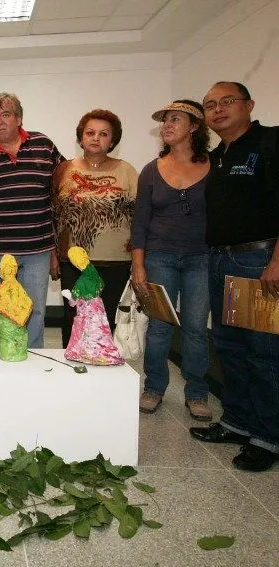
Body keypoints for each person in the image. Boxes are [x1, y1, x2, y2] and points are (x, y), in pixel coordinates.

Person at [189, 81, 279, 472]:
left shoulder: (268, 144)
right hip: (221, 261)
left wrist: (277, 261)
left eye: (227, 101)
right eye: (211, 105)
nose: (218, 109)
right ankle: (238, 422)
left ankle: (268, 436)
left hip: (258, 262)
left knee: (263, 352)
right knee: (229, 345)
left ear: (249, 105)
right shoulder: (218, 156)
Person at [131, 100, 211, 419]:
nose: (167, 124)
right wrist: (138, 263)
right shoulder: (152, 170)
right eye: (165, 120)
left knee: (194, 327)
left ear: (194, 126)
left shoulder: (213, 166)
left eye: (175, 119)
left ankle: (196, 393)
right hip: (159, 256)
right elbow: (140, 221)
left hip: (201, 258)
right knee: (160, 327)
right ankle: (154, 387)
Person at [0, 92, 64, 349]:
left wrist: (57, 248)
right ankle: (0, 368)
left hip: (38, 250)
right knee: (1, 312)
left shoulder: (44, 146)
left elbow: (63, 192)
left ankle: (32, 368)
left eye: (5, 114)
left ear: (19, 118)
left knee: (35, 312)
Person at [52, 109, 138, 347]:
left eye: (104, 134)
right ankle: (72, 367)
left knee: (107, 319)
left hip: (116, 260)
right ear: (81, 137)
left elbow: (140, 217)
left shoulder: (126, 171)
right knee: (74, 318)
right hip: (73, 262)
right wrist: (53, 255)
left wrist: (140, 258)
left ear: (113, 140)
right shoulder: (64, 170)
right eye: (90, 132)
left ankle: (103, 370)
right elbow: (52, 216)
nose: (96, 138)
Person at [61, 246, 125, 366]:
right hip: (98, 306)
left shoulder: (81, 281)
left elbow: (73, 301)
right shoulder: (93, 270)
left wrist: (68, 295)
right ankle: (101, 352)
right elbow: (102, 284)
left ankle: (90, 354)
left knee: (86, 330)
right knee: (100, 329)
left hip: (86, 310)